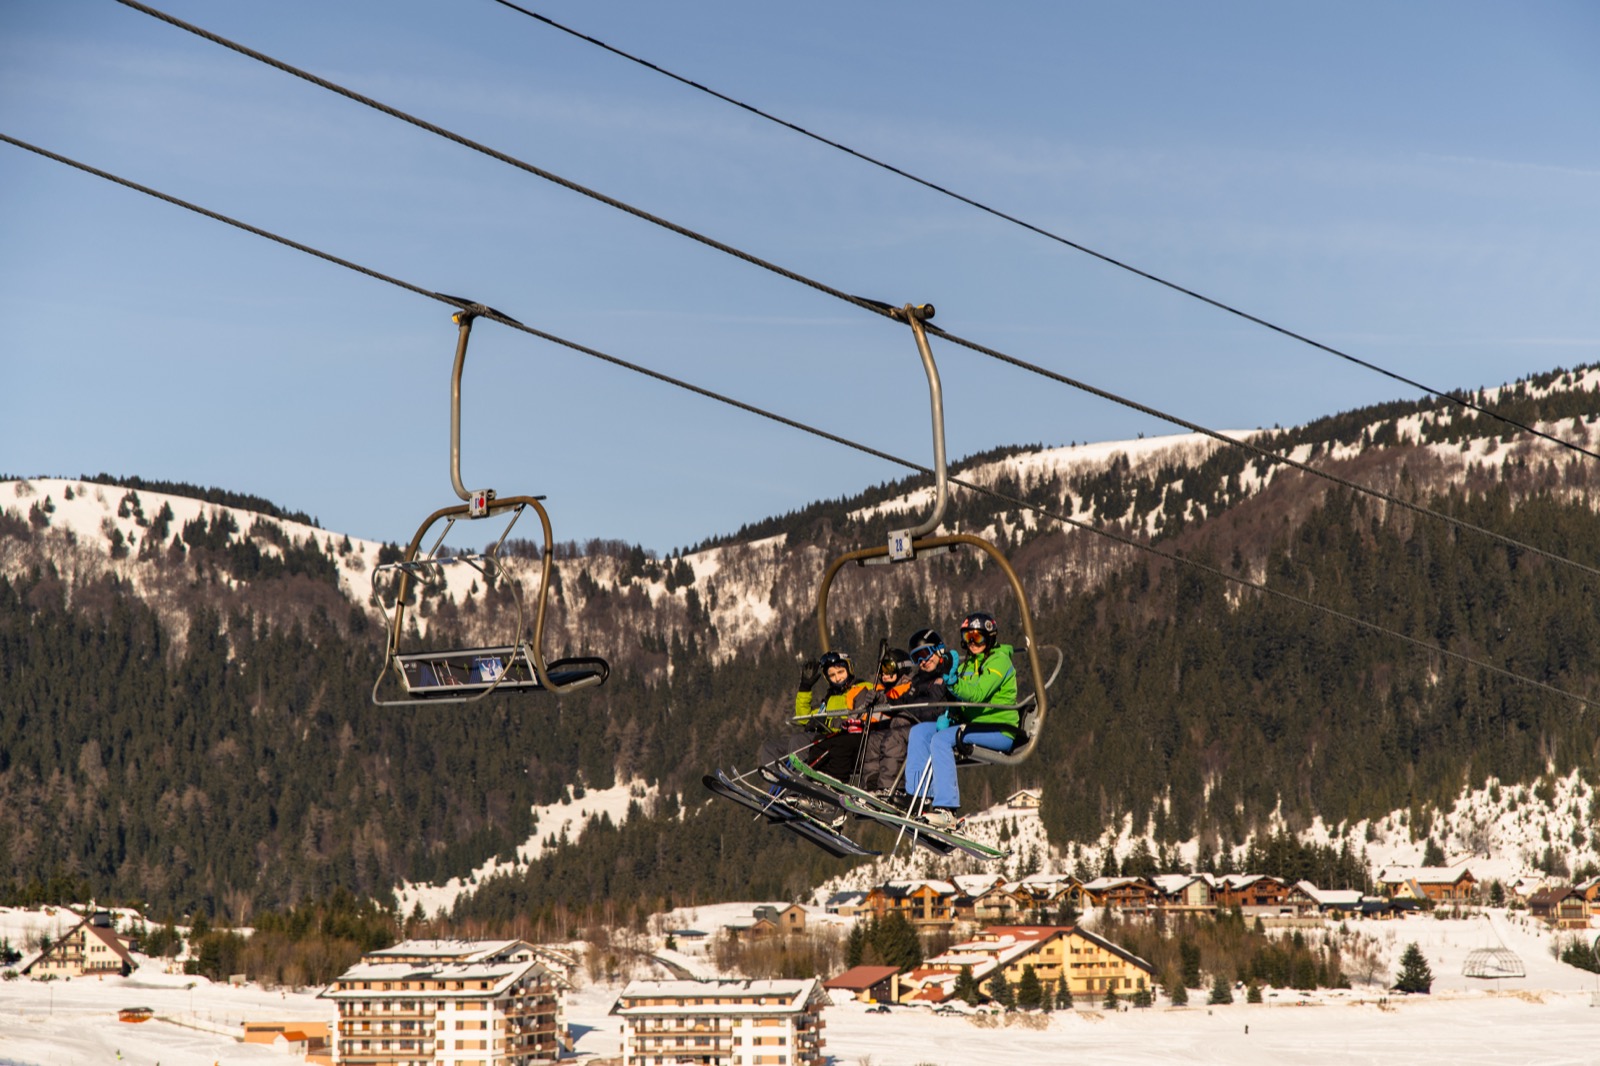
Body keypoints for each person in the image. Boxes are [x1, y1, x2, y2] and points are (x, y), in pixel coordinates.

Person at [901, 612, 1019, 828]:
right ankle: (918, 798)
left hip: (998, 729)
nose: (972, 643)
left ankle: (947, 809)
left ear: (990, 637)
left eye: (977, 638)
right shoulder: (969, 663)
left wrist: (952, 681)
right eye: (967, 637)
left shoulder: (999, 661)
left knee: (942, 740)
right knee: (920, 732)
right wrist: (950, 715)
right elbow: (960, 697)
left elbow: (977, 694)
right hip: (972, 726)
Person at [858, 630, 957, 798]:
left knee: (895, 736)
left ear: (939, 650)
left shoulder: (945, 677)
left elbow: (936, 707)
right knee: (873, 740)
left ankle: (893, 789)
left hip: (930, 725)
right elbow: (902, 702)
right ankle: (871, 787)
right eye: (917, 658)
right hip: (912, 723)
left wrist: (908, 712)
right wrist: (881, 700)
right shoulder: (918, 680)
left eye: (925, 654)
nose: (923, 661)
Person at [758, 649, 874, 786]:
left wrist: (828, 722)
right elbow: (803, 718)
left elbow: (858, 720)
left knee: (798, 741)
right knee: (770, 748)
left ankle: (802, 787)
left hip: (845, 743)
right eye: (832, 675)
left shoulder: (862, 688)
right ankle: (780, 786)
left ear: (849, 669)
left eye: (841, 672)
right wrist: (805, 689)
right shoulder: (830, 697)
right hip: (823, 738)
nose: (838, 678)